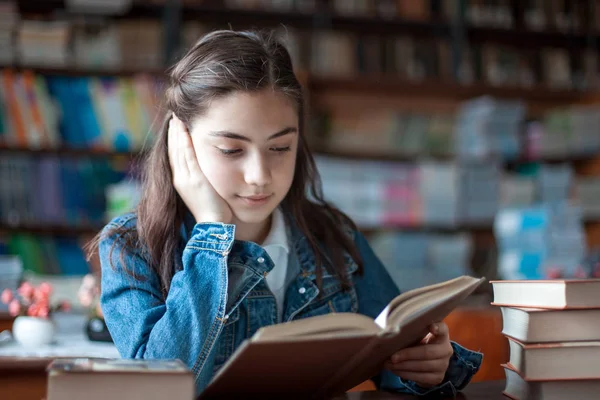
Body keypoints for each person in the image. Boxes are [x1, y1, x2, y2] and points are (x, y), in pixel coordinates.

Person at [94, 29, 482, 396]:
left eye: (280, 148)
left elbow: (392, 354)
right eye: (231, 150)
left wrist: (432, 365)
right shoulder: (131, 246)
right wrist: (212, 231)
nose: (260, 176)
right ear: (182, 145)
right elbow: (160, 388)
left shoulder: (330, 236)